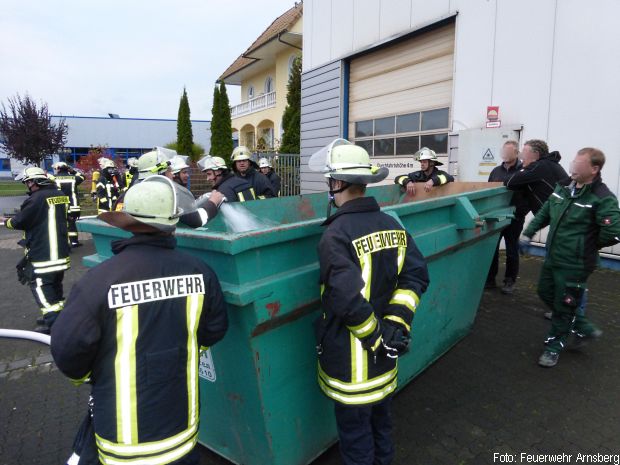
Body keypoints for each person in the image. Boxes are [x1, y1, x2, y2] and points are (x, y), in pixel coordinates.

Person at [51, 175, 228, 464]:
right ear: (174, 222)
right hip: (181, 435)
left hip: (122, 445)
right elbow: (216, 329)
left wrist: (92, 375)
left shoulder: (99, 281)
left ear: (129, 221)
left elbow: (67, 349)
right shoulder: (202, 273)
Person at [311, 139, 430, 465]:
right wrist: (395, 325)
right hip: (385, 362)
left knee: (355, 441)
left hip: (353, 369)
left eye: (330, 183)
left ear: (337, 183)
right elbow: (415, 278)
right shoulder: (393, 225)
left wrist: (377, 338)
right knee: (381, 427)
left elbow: (346, 299)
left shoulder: (335, 235)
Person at [521, 147, 620, 368]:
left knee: (564, 305)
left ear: (594, 169)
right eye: (574, 160)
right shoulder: (564, 187)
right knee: (544, 292)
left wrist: (585, 246)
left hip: (577, 263)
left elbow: (613, 232)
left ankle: (553, 348)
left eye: (579, 163)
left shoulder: (602, 197)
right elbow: (546, 212)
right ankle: (584, 327)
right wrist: (528, 233)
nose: (573, 166)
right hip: (553, 256)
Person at [0, 167, 70, 334]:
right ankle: (57, 316)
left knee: (41, 288)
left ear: (34, 182)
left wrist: (5, 221)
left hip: (42, 256)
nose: (27, 186)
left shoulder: (36, 199)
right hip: (60, 254)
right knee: (55, 287)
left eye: (27, 182)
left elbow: (19, 222)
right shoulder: (59, 195)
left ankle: (54, 325)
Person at [117, 150, 224, 228]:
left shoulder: (132, 191)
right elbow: (197, 220)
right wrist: (213, 202)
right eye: (169, 170)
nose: (172, 175)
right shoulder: (167, 193)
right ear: (158, 172)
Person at [485, 141, 529, 293]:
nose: (504, 154)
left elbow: (529, 195)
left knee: (511, 250)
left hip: (514, 218)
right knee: (492, 248)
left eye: (508, 152)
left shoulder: (524, 171)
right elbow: (489, 192)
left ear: (516, 153)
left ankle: (509, 281)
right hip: (496, 217)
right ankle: (490, 279)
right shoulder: (496, 171)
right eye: (503, 151)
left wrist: (520, 212)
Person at [505, 139, 570, 214]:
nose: (521, 156)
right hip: (563, 213)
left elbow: (509, 181)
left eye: (524, 152)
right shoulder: (549, 163)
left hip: (560, 216)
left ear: (536, 154)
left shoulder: (538, 167)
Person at [52, 161, 85, 247]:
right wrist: (73, 171)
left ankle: (64, 244)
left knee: (61, 224)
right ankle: (74, 242)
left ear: (58, 169)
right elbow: (82, 176)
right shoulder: (73, 178)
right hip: (73, 206)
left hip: (60, 205)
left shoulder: (54, 179)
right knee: (72, 224)